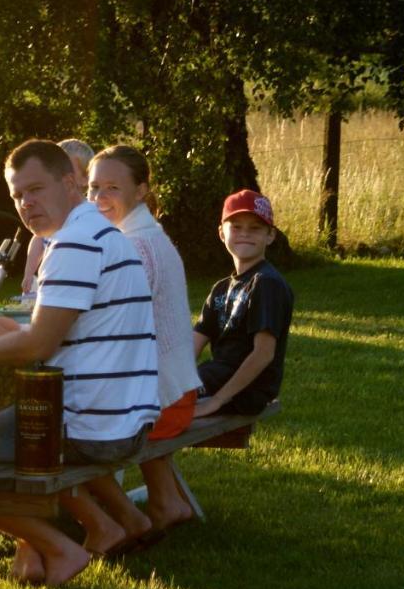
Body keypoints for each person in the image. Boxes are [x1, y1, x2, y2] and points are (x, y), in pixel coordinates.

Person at [0, 139, 160, 586]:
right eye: (17, 195)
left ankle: (58, 548)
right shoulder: (98, 233)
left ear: (70, 182)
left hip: (90, 425)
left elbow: (38, 350)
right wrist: (9, 331)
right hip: (121, 416)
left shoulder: (74, 244)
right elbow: (68, 338)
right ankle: (94, 528)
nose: (26, 203)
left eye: (35, 189)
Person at [84, 145, 200, 539]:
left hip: (160, 404)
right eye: (93, 187)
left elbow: (95, 329)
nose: (99, 198)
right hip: (176, 392)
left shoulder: (133, 247)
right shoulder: (148, 235)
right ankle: (167, 501)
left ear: (141, 191)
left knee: (61, 423)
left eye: (112, 188)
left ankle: (95, 521)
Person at [192, 190, 294, 417]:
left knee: (155, 406)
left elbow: (263, 354)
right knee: (150, 392)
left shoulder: (266, 284)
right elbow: (193, 346)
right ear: (221, 233)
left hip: (246, 391)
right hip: (215, 377)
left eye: (255, 228)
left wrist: (215, 401)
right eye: (236, 227)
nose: (245, 234)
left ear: (270, 235)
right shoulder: (221, 288)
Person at [21, 138, 93, 294]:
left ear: (85, 179)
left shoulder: (87, 219)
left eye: (68, 171)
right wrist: (28, 273)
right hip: (50, 286)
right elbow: (38, 238)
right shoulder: (52, 214)